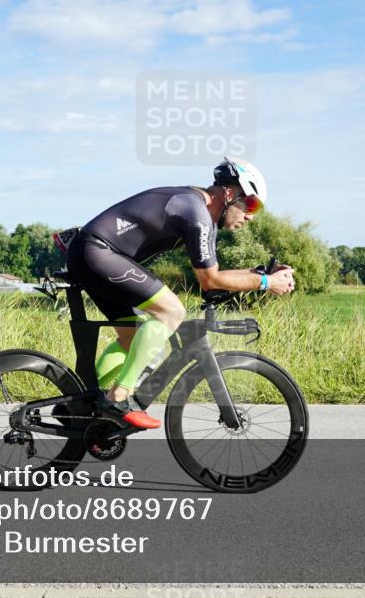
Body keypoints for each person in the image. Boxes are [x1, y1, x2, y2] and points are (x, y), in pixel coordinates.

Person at [62, 157, 295, 429]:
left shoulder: (198, 210)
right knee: (171, 311)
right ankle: (118, 398)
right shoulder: (196, 213)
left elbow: (214, 273)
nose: (251, 215)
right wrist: (266, 283)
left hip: (93, 254)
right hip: (98, 253)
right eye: (251, 204)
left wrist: (260, 275)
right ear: (230, 192)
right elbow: (210, 280)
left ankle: (80, 406)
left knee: (133, 338)